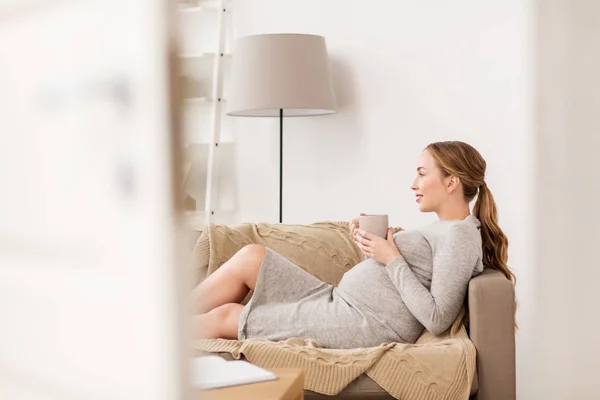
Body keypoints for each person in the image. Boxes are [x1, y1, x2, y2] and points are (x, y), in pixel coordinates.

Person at [192, 141, 516, 349]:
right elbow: (406, 276)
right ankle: (161, 321)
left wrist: (391, 258)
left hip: (366, 323)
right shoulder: (444, 229)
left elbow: (437, 318)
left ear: (451, 181)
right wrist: (375, 245)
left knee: (227, 316)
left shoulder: (460, 236)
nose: (413, 184)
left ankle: (151, 347)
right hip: (340, 301)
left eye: (421, 174)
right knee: (253, 255)